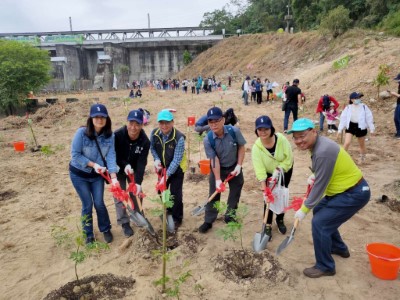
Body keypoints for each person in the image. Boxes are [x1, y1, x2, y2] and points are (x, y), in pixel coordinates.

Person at [287, 118, 370, 278]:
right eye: (296, 138)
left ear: (313, 132)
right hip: (344, 190)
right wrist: (315, 174)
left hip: (354, 193)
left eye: (302, 136)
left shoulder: (323, 151)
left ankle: (325, 266)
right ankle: (338, 247)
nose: (299, 141)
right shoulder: (318, 145)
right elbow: (326, 171)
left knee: (320, 223)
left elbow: (320, 187)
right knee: (320, 210)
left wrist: (304, 209)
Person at [69, 104, 119, 244]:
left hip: (97, 176)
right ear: (91, 118)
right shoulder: (81, 133)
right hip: (79, 174)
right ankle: (88, 234)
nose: (99, 119)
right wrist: (93, 165)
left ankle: (105, 228)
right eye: (96, 117)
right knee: (87, 204)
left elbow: (111, 155)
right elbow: (75, 155)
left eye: (102, 117)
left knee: (99, 202)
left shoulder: (110, 136)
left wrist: (113, 177)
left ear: (106, 119)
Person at [199, 107, 246, 233]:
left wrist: (239, 166)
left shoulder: (234, 131)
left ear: (223, 120)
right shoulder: (208, 139)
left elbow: (241, 147)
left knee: (235, 191)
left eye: (216, 121)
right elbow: (214, 160)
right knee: (214, 193)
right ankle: (209, 220)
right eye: (210, 122)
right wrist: (218, 180)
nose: (213, 124)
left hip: (234, 166)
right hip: (218, 168)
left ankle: (230, 216)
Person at [251, 115, 293, 239]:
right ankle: (267, 224)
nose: (263, 132)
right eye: (260, 130)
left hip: (284, 170)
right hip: (268, 173)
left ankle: (280, 219)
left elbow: (289, 159)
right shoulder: (256, 148)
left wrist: (279, 169)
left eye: (266, 129)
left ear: (271, 129)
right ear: (256, 131)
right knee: (269, 198)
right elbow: (260, 170)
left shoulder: (282, 140)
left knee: (281, 195)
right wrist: (265, 191)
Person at [113, 109, 150, 237]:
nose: (134, 127)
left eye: (137, 124)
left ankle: (138, 215)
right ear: (127, 122)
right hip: (118, 169)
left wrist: (138, 182)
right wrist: (124, 165)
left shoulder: (145, 141)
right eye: (131, 123)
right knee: (120, 195)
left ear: (142, 125)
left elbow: (142, 162)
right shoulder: (117, 135)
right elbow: (114, 155)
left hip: (134, 170)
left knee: (136, 193)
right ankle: (124, 222)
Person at [150, 109, 186, 227]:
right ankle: (169, 209)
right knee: (160, 190)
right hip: (162, 168)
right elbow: (153, 148)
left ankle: (177, 218)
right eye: (161, 123)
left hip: (176, 170)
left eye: (167, 122)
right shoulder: (154, 134)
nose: (164, 125)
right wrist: (156, 159)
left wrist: (166, 176)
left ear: (172, 122)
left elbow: (176, 160)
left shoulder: (179, 137)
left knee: (175, 194)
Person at [337, 92, 375, 163]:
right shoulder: (348, 107)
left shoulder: (364, 106)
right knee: (347, 142)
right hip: (351, 126)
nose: (358, 99)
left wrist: (372, 129)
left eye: (359, 98)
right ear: (352, 99)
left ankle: (362, 158)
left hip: (360, 127)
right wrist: (339, 130)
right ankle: (341, 157)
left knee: (361, 144)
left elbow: (369, 117)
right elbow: (343, 118)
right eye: (356, 98)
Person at [387, 73, 400, 139]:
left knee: (397, 118)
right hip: (398, 103)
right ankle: (398, 133)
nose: (398, 81)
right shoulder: (399, 85)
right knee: (396, 118)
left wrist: (395, 94)